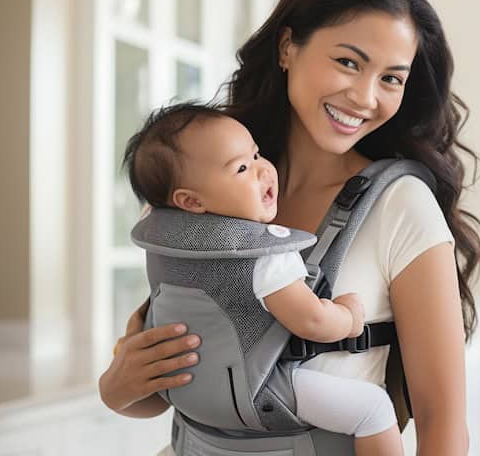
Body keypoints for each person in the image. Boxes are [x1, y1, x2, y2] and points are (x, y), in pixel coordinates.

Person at [99, 0, 480, 456]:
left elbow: (443, 425)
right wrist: (121, 381)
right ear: (287, 47)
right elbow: (176, 381)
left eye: (391, 78)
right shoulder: (205, 189)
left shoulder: (401, 206)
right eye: (348, 62)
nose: (366, 97)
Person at [121, 103, 402, 455]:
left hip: (187, 394)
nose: (262, 170)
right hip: (259, 391)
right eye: (241, 168)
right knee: (372, 409)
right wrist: (347, 318)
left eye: (256, 154)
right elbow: (311, 320)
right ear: (191, 200)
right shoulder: (261, 254)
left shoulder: (163, 243)